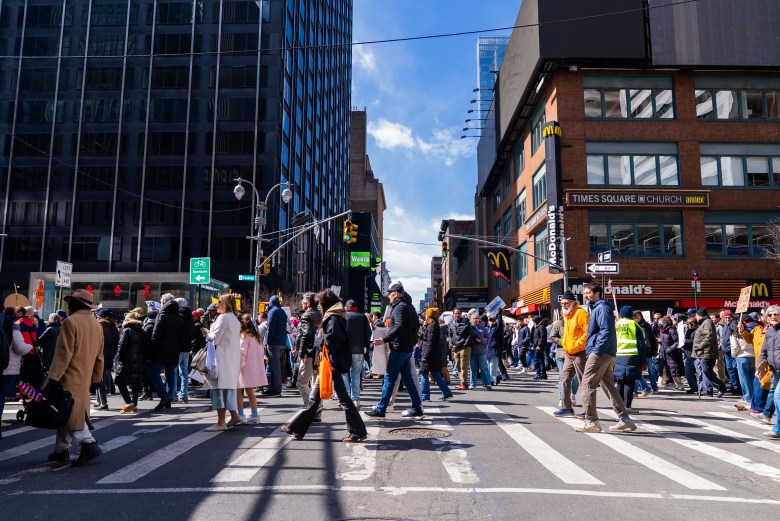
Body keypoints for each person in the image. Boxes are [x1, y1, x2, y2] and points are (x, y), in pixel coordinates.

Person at [282, 288, 368, 442]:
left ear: (326, 302)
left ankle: (358, 432)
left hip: (332, 363)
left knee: (343, 399)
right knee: (315, 399)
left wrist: (321, 340)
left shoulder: (333, 317)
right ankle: (296, 429)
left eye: (320, 302)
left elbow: (335, 339)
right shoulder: (333, 316)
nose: (319, 305)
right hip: (329, 363)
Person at [42, 289, 104, 465]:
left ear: (77, 304)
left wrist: (53, 378)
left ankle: (88, 443)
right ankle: (61, 450)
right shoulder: (96, 325)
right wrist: (97, 379)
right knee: (67, 413)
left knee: (70, 415)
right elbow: (100, 357)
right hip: (84, 377)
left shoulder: (70, 322)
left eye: (71, 302)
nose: (68, 305)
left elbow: (63, 354)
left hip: (68, 376)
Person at [576, 283, 636, 433]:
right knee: (608, 385)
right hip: (605, 352)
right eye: (585, 293)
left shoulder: (601, 308)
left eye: (588, 292)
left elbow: (606, 331)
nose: (586, 295)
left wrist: (596, 351)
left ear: (597, 294)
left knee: (587, 384)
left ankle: (592, 421)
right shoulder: (598, 308)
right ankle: (624, 419)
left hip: (601, 353)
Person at [366, 282, 425, 418]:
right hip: (406, 348)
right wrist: (410, 341)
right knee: (408, 378)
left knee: (390, 377)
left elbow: (398, 327)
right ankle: (417, 408)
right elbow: (416, 327)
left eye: (389, 293)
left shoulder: (399, 308)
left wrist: (384, 339)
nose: (388, 297)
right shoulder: (410, 307)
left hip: (398, 348)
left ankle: (381, 409)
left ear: (396, 293)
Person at [202, 294, 242, 431]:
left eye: (219, 302)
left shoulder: (223, 318)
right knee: (227, 390)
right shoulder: (235, 319)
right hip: (231, 359)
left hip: (221, 359)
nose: (216, 305)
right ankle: (234, 415)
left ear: (226, 303)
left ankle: (220, 422)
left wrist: (207, 332)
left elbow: (215, 338)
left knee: (218, 390)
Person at [149, 294, 186, 411]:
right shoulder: (180, 317)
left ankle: (164, 396)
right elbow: (182, 336)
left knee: (153, 372)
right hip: (174, 351)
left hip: (161, 350)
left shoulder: (162, 315)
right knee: (170, 375)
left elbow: (156, 334)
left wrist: (151, 350)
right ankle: (168, 398)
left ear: (164, 302)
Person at [553, 291, 587, 417]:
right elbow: (566, 334)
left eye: (566, 303)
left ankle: (587, 411)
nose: (564, 305)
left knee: (584, 382)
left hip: (580, 352)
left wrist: (576, 345)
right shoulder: (566, 315)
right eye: (562, 303)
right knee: (564, 378)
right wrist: (565, 344)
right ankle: (567, 408)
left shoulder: (581, 313)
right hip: (569, 353)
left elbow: (587, 332)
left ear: (573, 303)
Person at [1, 308, 33, 433]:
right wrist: (30, 346)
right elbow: (20, 348)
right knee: (2, 394)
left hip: (4, 365)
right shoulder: (14, 330)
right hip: (9, 366)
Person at [114, 311, 149, 414]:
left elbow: (121, 346)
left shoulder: (126, 331)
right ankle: (134, 404)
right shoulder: (142, 331)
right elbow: (146, 347)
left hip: (126, 361)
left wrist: (118, 358)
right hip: (140, 361)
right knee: (135, 383)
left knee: (120, 382)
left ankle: (129, 403)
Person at [614, 306, 647, 412]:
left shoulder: (616, 324)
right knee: (629, 382)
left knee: (620, 381)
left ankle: (619, 406)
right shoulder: (635, 325)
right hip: (632, 356)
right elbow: (641, 345)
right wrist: (643, 361)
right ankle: (627, 406)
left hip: (618, 356)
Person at [237, 314, 267, 424]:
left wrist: (237, 366)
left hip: (243, 367)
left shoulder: (244, 336)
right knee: (251, 392)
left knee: (238, 391)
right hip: (252, 367)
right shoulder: (256, 336)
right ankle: (254, 414)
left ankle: (240, 414)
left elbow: (241, 352)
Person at [295, 293, 322, 411]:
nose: (302, 303)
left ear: (308, 303)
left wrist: (302, 353)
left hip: (309, 353)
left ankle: (313, 409)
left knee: (301, 382)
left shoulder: (307, 315)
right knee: (315, 384)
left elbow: (306, 334)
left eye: (303, 302)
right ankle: (317, 409)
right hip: (319, 352)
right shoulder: (320, 314)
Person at [419, 308, 453, 401]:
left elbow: (430, 343)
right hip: (432, 354)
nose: (424, 316)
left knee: (424, 374)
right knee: (435, 374)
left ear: (429, 316)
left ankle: (425, 395)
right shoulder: (431, 325)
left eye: (425, 314)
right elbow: (422, 337)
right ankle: (447, 392)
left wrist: (425, 356)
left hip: (430, 355)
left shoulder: (432, 326)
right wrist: (424, 326)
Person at [693, 307, 726, 398]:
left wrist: (700, 346)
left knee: (707, 371)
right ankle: (707, 390)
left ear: (700, 316)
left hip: (707, 352)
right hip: (704, 352)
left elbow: (709, 337)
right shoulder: (704, 323)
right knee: (705, 371)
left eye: (696, 315)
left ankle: (721, 387)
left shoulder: (707, 323)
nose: (696, 317)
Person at [758, 305, 780, 439]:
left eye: (776, 314)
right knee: (776, 397)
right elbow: (764, 352)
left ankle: (778, 429)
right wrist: (759, 368)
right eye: (770, 315)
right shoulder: (770, 332)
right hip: (775, 370)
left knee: (777, 396)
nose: (773, 317)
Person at [344, 299, 371, 407]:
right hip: (359, 350)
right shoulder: (362, 317)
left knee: (344, 374)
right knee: (356, 375)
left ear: (346, 307)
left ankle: (346, 397)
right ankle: (356, 399)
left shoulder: (343, 317)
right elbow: (368, 333)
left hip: (345, 350)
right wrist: (365, 345)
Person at [93, 309, 119, 412]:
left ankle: (103, 403)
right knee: (101, 377)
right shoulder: (114, 328)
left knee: (99, 379)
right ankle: (99, 401)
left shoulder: (100, 327)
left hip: (99, 355)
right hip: (109, 356)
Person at [263, 295, 287, 397]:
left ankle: (276, 389)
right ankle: (272, 388)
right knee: (274, 365)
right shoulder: (282, 312)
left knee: (274, 365)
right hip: (281, 342)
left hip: (274, 342)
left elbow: (270, 328)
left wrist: (267, 341)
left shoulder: (273, 312)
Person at [174, 298, 194, 403]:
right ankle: (184, 394)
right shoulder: (190, 317)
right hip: (187, 347)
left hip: (178, 348)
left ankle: (173, 395)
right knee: (184, 373)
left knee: (174, 371)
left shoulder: (179, 316)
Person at [658, 316, 685, 390]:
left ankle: (680, 385)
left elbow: (677, 341)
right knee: (662, 368)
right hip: (664, 352)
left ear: (665, 323)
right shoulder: (662, 331)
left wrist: (671, 348)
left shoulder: (671, 330)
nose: (659, 324)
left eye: (661, 323)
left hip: (671, 353)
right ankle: (661, 384)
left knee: (674, 369)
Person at [447, 308, 472, 389]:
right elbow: (450, 335)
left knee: (463, 366)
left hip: (464, 347)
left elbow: (469, 335)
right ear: (453, 314)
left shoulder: (466, 323)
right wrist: (451, 344)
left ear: (461, 314)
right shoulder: (451, 323)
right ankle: (463, 382)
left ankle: (464, 383)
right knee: (457, 365)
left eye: (458, 313)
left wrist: (464, 344)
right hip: (455, 348)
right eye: (455, 313)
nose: (456, 315)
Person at [468, 314, 492, 390]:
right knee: (472, 368)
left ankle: (487, 383)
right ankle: (472, 384)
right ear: (471, 319)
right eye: (474, 318)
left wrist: (480, 339)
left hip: (482, 351)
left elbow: (488, 339)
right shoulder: (469, 328)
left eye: (477, 318)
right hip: (472, 351)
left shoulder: (484, 329)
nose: (476, 319)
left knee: (484, 368)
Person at [486, 314, 504, 385]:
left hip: (495, 349)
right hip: (487, 349)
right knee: (487, 366)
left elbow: (500, 324)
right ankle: (497, 376)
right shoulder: (486, 328)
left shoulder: (497, 328)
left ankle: (492, 380)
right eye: (490, 320)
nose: (491, 322)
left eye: (493, 320)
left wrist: (499, 314)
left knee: (492, 366)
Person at [531, 316, 549, 380]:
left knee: (536, 359)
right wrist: (534, 345)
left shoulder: (541, 327)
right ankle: (543, 375)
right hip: (538, 346)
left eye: (534, 321)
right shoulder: (537, 327)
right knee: (541, 360)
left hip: (540, 346)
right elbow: (536, 338)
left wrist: (539, 345)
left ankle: (538, 373)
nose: (533, 322)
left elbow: (542, 337)